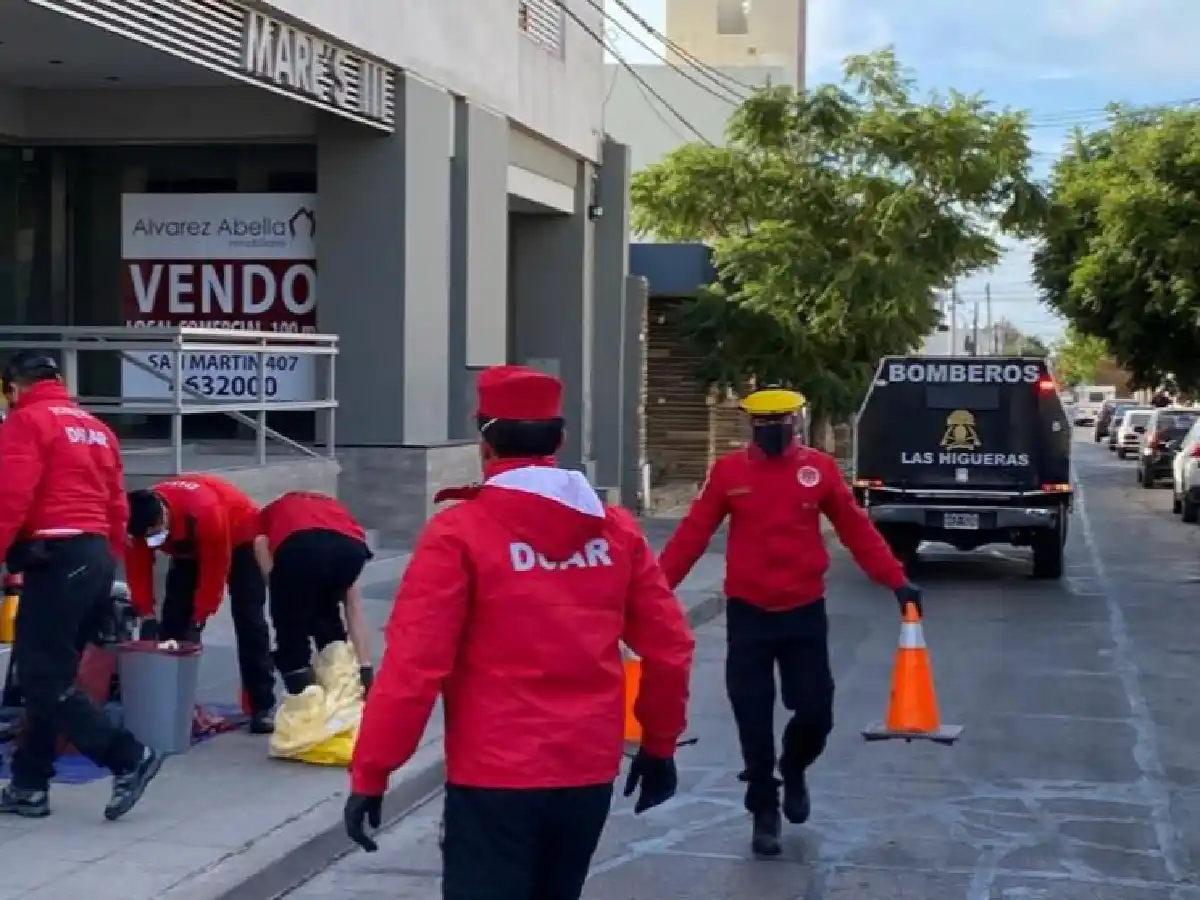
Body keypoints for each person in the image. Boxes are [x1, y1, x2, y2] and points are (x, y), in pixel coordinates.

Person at [343, 365, 695, 900]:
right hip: (585, 772)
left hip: (494, 776)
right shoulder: (615, 530)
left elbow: (414, 670)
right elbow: (669, 649)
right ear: (562, 439)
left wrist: (372, 773)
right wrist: (659, 743)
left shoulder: (458, 534)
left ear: (483, 442)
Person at [658, 387, 921, 857]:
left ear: (795, 423)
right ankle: (764, 805)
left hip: (803, 612)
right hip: (748, 614)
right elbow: (693, 532)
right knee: (752, 716)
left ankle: (794, 767)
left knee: (816, 711)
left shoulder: (817, 470)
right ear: (750, 428)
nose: (772, 432)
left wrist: (895, 580)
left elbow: (855, 528)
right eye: (762, 425)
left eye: (780, 423)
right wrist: (655, 589)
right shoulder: (730, 472)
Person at [0, 350, 163, 820]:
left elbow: (11, 494)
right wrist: (108, 564)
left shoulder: (27, 422)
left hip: (57, 556)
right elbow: (117, 505)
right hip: (91, 556)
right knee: (53, 677)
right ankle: (30, 785)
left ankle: (127, 756)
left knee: (38, 676)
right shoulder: (97, 428)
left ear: (15, 387)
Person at [125, 474, 276, 733]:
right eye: (147, 536)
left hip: (238, 534)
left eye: (155, 532)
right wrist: (146, 614)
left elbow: (214, 572)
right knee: (172, 622)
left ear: (162, 516)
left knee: (249, 618)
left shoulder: (205, 512)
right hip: (186, 547)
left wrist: (199, 618)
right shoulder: (135, 520)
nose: (152, 540)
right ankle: (170, 704)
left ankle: (261, 705)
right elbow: (137, 570)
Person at [252, 491, 375, 697]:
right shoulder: (334, 509)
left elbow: (260, 544)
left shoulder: (269, 513)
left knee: (291, 630)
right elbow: (353, 608)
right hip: (351, 548)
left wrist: (280, 593)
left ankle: (304, 699)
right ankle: (345, 684)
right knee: (328, 617)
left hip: (300, 545)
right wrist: (366, 667)